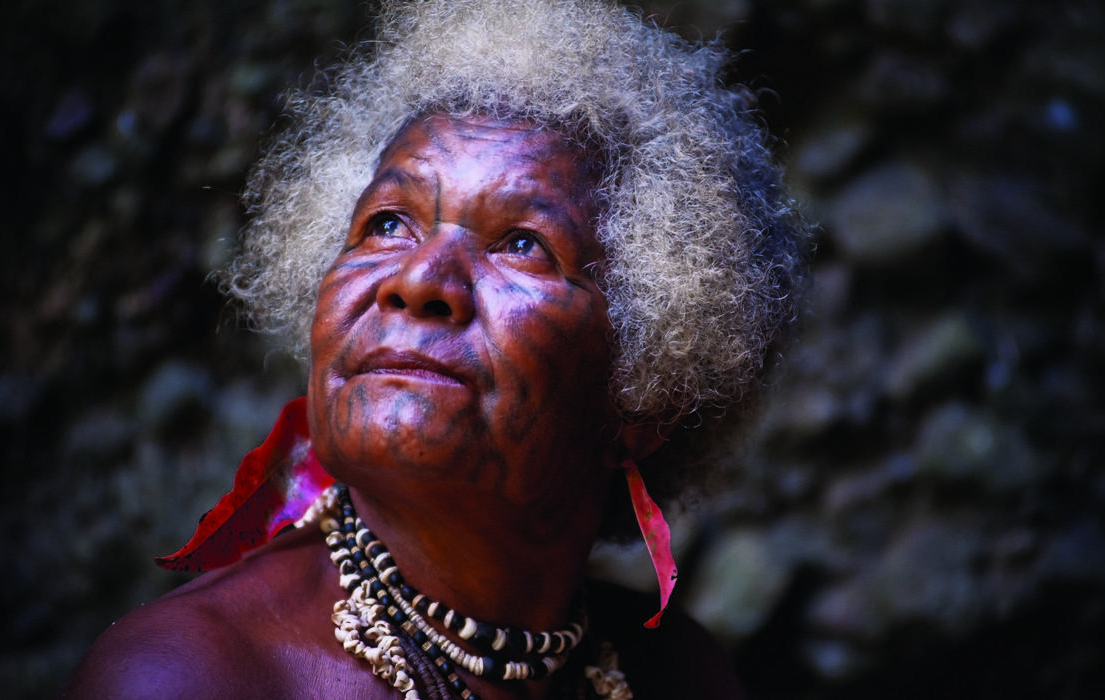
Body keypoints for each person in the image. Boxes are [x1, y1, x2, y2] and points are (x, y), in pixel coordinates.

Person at [62, 0, 809, 697]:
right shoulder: (188, 677)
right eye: (387, 224)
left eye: (523, 244)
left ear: (650, 395)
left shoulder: (680, 674)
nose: (418, 281)